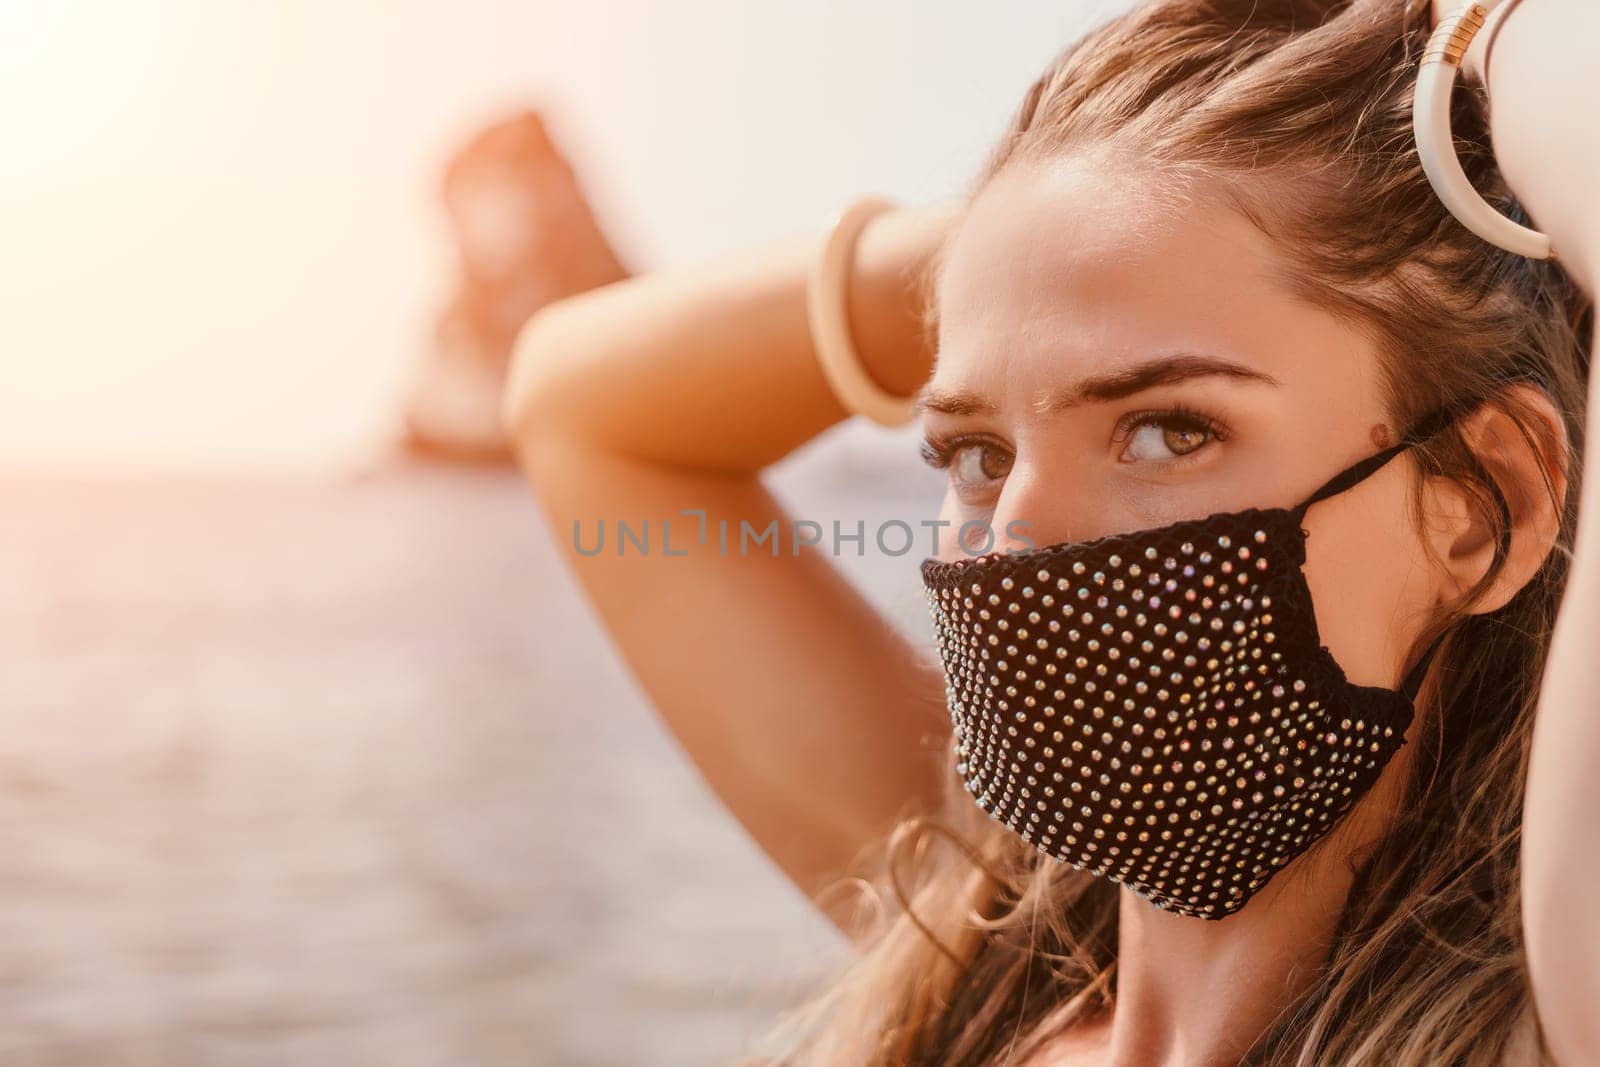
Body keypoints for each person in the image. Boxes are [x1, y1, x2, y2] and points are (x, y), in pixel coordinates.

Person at [502, 0, 1599, 1063]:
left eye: (1168, 430)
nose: (1016, 527)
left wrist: (1482, 28)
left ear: (1480, 503)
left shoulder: (1551, 1017)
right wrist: (1041, 223)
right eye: (977, 453)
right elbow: (576, 409)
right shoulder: (975, 955)